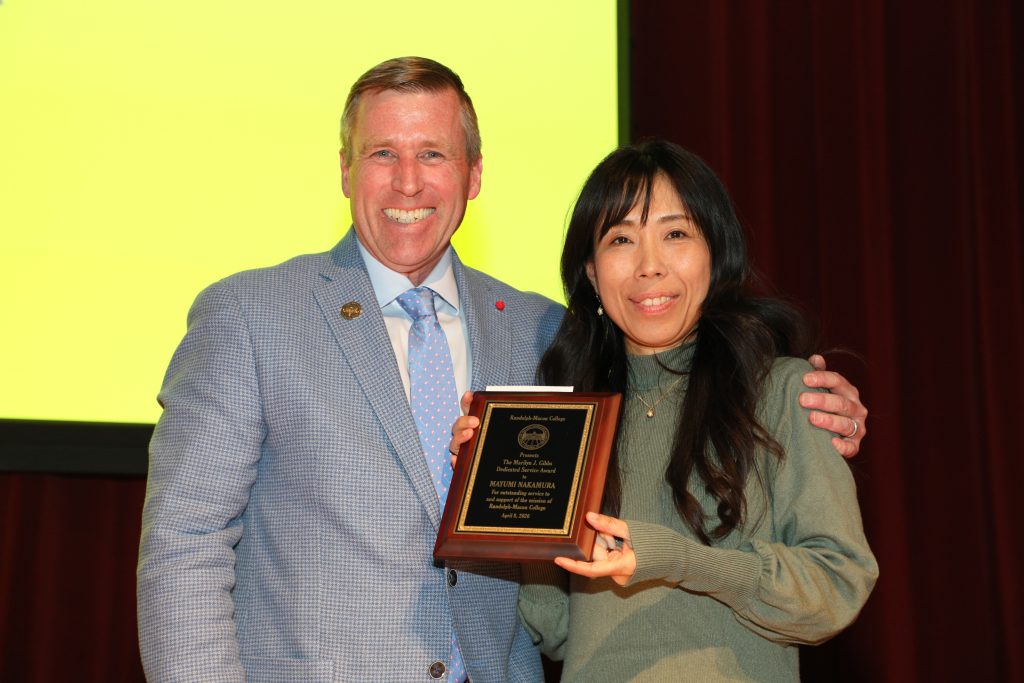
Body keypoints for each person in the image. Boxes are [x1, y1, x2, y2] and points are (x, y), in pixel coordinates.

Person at [137, 57, 868, 682]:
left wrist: (818, 404)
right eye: (382, 153)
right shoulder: (250, 315)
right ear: (344, 168)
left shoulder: (546, 333)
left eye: (433, 154)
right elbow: (185, 544)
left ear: (474, 173)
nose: (408, 182)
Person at [452, 140, 878, 681]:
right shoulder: (572, 421)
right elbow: (560, 631)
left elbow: (837, 584)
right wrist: (502, 497)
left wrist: (679, 559)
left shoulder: (783, 390)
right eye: (621, 239)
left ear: (714, 254)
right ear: (590, 271)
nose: (649, 266)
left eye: (675, 234)